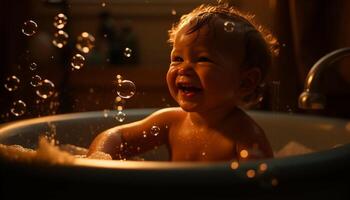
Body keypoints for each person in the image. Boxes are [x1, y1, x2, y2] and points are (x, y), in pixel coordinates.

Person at [87, 3, 278, 162]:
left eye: (203, 59)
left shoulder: (246, 136)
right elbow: (115, 136)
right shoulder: (170, 122)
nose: (184, 68)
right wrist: (99, 157)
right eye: (177, 58)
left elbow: (259, 187)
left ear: (245, 82)